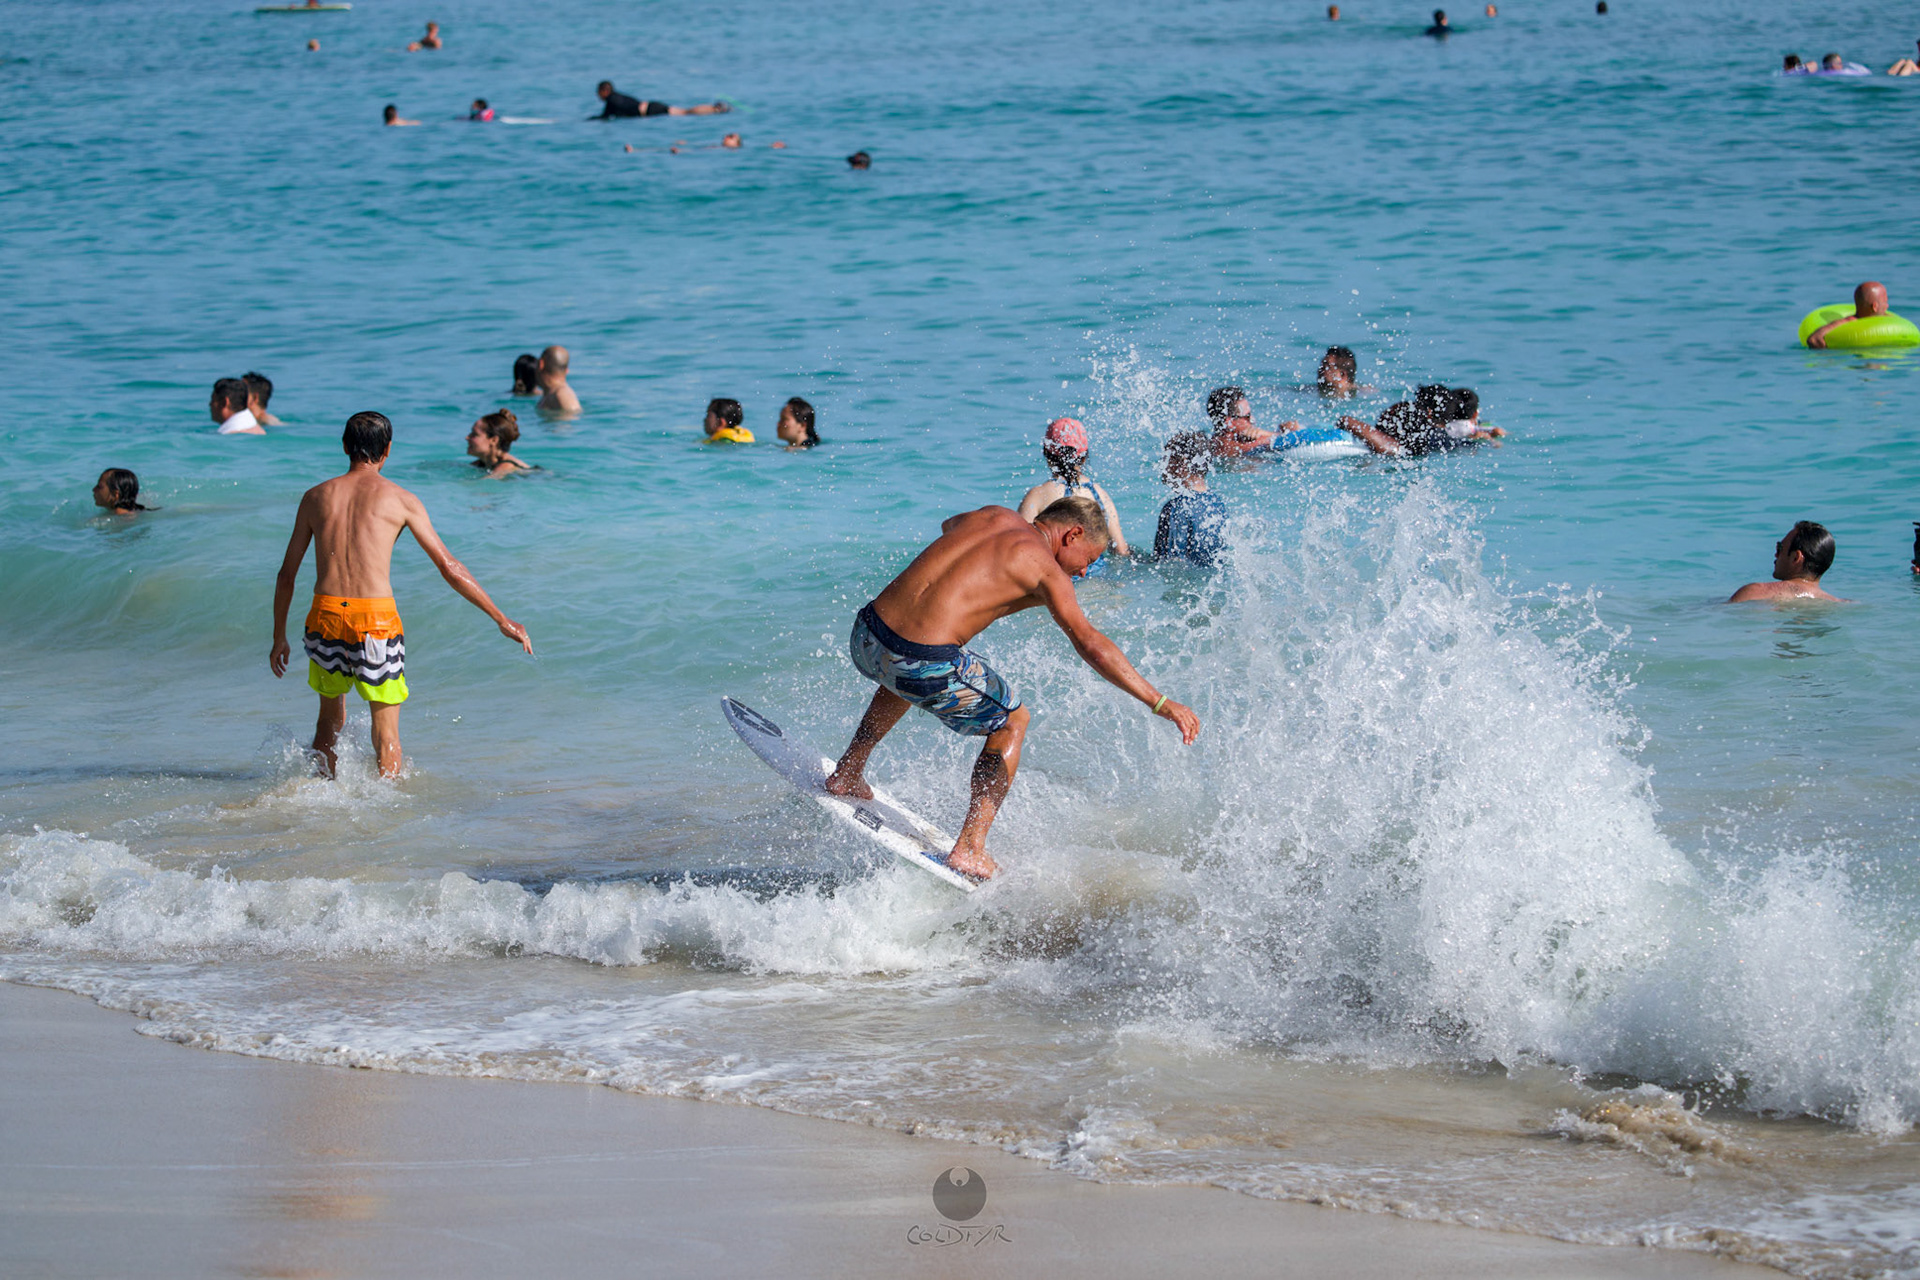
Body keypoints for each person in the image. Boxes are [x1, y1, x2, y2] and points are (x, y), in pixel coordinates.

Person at [823, 499, 1199, 880]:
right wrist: (1159, 701)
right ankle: (970, 848)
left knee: (903, 670)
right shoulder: (1047, 571)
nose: (1085, 570)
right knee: (1012, 720)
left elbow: (949, 525)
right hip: (920, 663)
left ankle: (849, 771)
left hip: (866, 636)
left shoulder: (993, 515)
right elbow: (1090, 644)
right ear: (1073, 534)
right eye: (1089, 558)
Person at [270, 411, 532, 779]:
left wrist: (279, 635)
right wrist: (501, 619)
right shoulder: (402, 500)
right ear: (388, 450)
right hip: (375, 620)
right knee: (386, 731)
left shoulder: (315, 497)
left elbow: (286, 576)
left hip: (325, 615)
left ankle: (320, 795)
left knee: (329, 722)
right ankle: (386, 812)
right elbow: (450, 568)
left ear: (345, 446)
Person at [1015, 418, 1131, 558]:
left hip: (1054, 575)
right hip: (1097, 578)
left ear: (1047, 454)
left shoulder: (1038, 495)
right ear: (1084, 457)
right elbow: (1121, 550)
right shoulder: (1099, 494)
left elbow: (1021, 547)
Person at [1154, 433, 1227, 569]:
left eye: (1167, 459)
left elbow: (1169, 564)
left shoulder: (1176, 508)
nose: (1163, 466)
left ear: (1182, 463)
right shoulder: (1217, 502)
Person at [1729, 522, 1841, 603]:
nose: (1776, 555)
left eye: (1780, 548)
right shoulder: (1838, 603)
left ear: (1796, 558)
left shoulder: (1755, 592)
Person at [1806, 281, 1893, 349]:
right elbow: (1814, 339)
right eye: (1885, 302)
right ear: (1875, 307)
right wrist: (1831, 356)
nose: (1887, 306)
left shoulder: (1888, 320)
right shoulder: (1849, 322)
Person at [1206, 386, 1283, 457]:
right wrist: (1269, 435)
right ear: (1229, 423)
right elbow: (1285, 440)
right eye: (1247, 416)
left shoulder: (1218, 441)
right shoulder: (1227, 446)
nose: (1252, 420)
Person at [593, 81, 728, 119]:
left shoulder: (611, 100)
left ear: (604, 91)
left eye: (599, 92)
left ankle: (715, 109)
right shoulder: (617, 96)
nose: (598, 96)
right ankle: (715, 108)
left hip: (650, 110)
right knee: (684, 112)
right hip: (651, 106)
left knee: (685, 113)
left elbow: (605, 117)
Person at [466, 409, 531, 477]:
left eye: (474, 434)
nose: (467, 437)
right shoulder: (481, 463)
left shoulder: (507, 466)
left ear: (494, 440)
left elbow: (484, 483)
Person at [535, 345, 580, 415]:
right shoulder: (552, 394)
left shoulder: (562, 394)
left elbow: (572, 416)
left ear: (541, 364)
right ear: (567, 370)